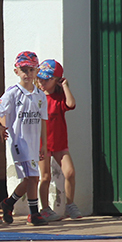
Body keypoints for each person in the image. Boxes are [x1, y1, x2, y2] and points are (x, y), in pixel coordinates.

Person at [0, 52, 48, 226]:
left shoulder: (40, 95)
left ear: (36, 71)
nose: (27, 73)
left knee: (31, 178)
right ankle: (34, 214)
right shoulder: (13, 93)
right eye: (24, 70)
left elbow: (43, 120)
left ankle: (9, 203)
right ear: (16, 71)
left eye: (31, 69)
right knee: (33, 177)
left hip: (33, 142)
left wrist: (44, 144)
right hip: (19, 142)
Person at [36, 59, 82, 221]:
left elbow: (71, 104)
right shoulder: (36, 97)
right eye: (40, 79)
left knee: (70, 172)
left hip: (60, 143)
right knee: (45, 177)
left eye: (47, 80)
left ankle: (70, 205)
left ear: (56, 80)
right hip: (42, 145)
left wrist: (65, 86)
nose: (42, 83)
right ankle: (45, 209)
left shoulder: (59, 96)